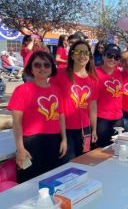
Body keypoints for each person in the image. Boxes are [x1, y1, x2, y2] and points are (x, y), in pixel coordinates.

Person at [7, 51, 67, 183]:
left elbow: (61, 116)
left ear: (51, 68)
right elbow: (16, 123)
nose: (42, 68)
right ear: (31, 68)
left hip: (53, 141)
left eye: (46, 65)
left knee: (52, 180)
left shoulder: (57, 90)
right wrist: (20, 148)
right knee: (29, 182)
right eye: (37, 65)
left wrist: (64, 139)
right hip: (30, 143)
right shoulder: (22, 90)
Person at [50, 40, 98, 162]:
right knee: (67, 164)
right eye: (78, 51)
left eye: (86, 53)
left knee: (83, 162)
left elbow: (92, 107)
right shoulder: (60, 74)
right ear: (71, 55)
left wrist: (94, 130)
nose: (82, 56)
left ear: (89, 56)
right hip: (65, 129)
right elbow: (50, 99)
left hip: (84, 129)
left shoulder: (93, 79)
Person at [95, 46, 124, 147]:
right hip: (102, 120)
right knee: (101, 152)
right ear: (103, 56)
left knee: (117, 151)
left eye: (116, 57)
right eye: (109, 55)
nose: (112, 59)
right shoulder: (95, 73)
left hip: (118, 119)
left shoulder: (119, 73)